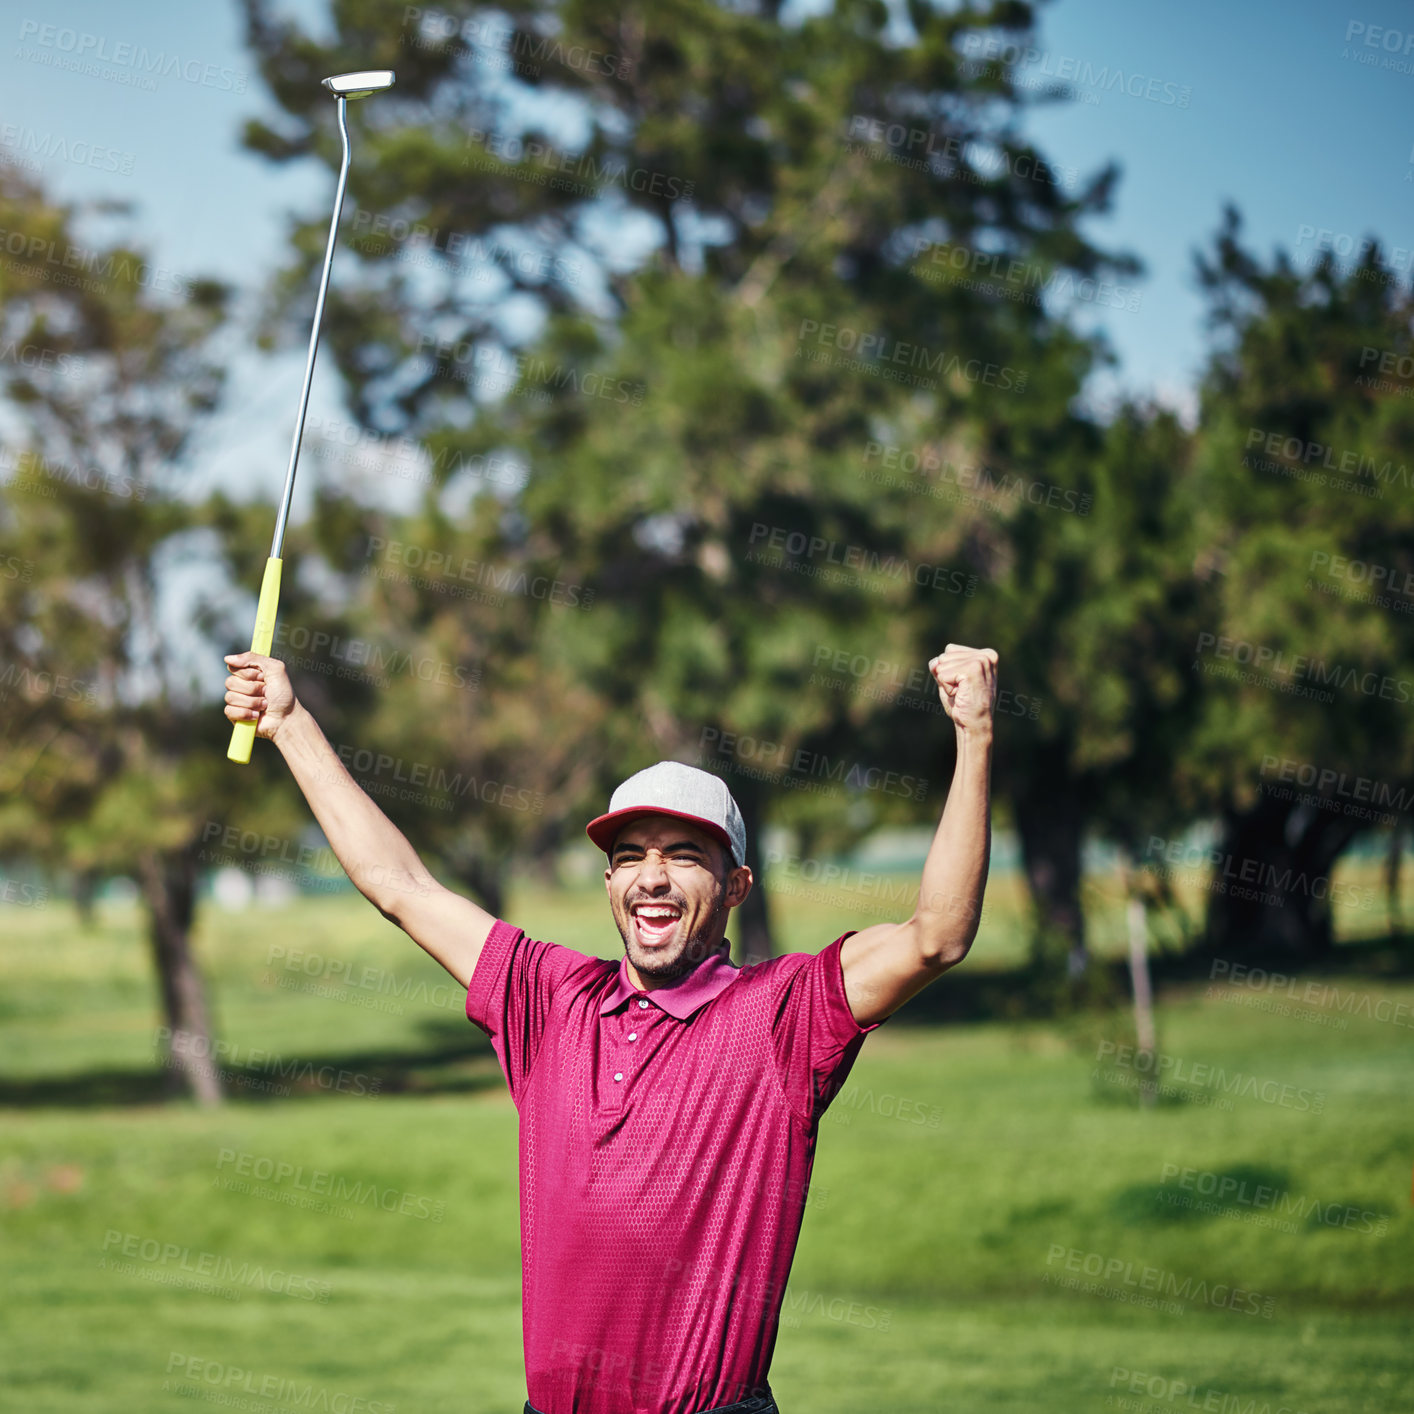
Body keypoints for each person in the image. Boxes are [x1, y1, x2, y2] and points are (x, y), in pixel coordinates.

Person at [222, 642, 999, 1414]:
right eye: (630, 856)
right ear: (608, 882)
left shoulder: (782, 1015)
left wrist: (973, 736)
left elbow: (937, 936)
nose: (652, 877)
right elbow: (400, 886)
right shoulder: (549, 998)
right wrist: (288, 722)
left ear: (735, 886)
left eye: (684, 856)